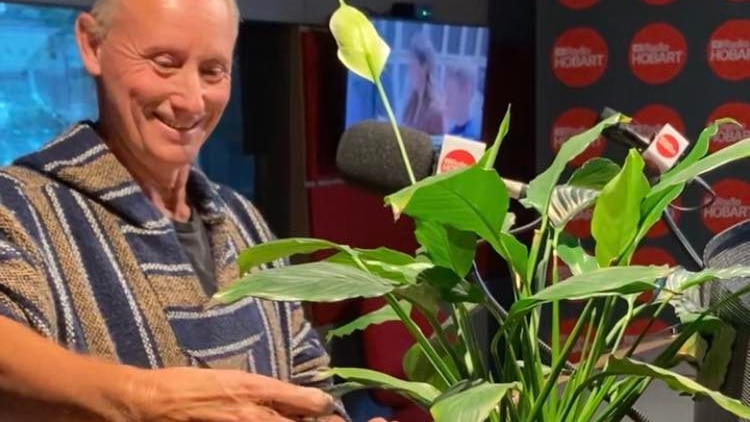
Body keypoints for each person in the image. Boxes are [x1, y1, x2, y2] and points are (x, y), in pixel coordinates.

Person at [0, 0, 389, 420]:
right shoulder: (19, 208)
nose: (190, 101)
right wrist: (139, 397)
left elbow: (309, 380)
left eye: (212, 72)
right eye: (164, 63)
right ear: (92, 45)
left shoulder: (244, 221)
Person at [401, 33, 444, 135]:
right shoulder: (410, 105)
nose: (409, 71)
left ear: (424, 67)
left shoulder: (435, 111)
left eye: (413, 65)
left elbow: (438, 147)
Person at [443, 63, 481, 140]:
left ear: (466, 93)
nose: (446, 100)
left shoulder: (472, 136)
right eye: (446, 92)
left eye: (451, 93)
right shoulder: (452, 132)